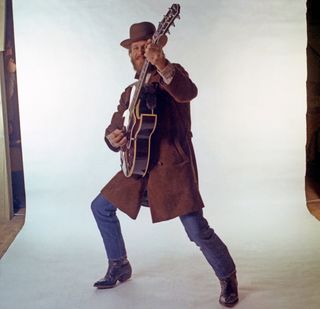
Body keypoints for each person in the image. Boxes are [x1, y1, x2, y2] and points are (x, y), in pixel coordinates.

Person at [91, 21, 238, 307]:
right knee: (100, 207)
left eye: (144, 46)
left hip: (172, 166)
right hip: (137, 166)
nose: (138, 52)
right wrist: (113, 138)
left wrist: (162, 63)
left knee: (196, 230)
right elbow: (115, 123)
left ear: (156, 46)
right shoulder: (130, 91)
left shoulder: (172, 75)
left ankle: (228, 275)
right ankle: (119, 264)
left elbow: (187, 93)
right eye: (134, 48)